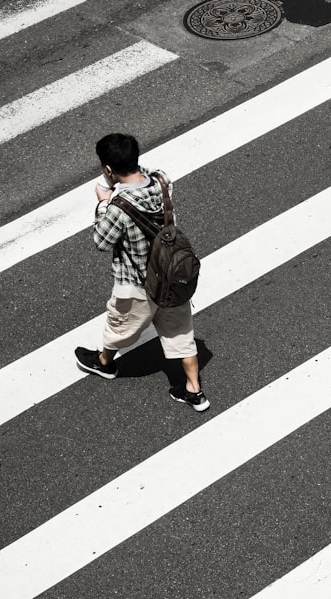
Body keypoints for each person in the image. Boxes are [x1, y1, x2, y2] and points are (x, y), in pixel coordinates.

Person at [74, 133, 209, 412]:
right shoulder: (162, 182)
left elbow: (101, 241)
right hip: (172, 277)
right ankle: (194, 391)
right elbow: (147, 175)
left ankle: (105, 363)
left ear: (108, 170)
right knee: (181, 333)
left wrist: (102, 202)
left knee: (120, 326)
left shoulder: (117, 207)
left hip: (137, 283)